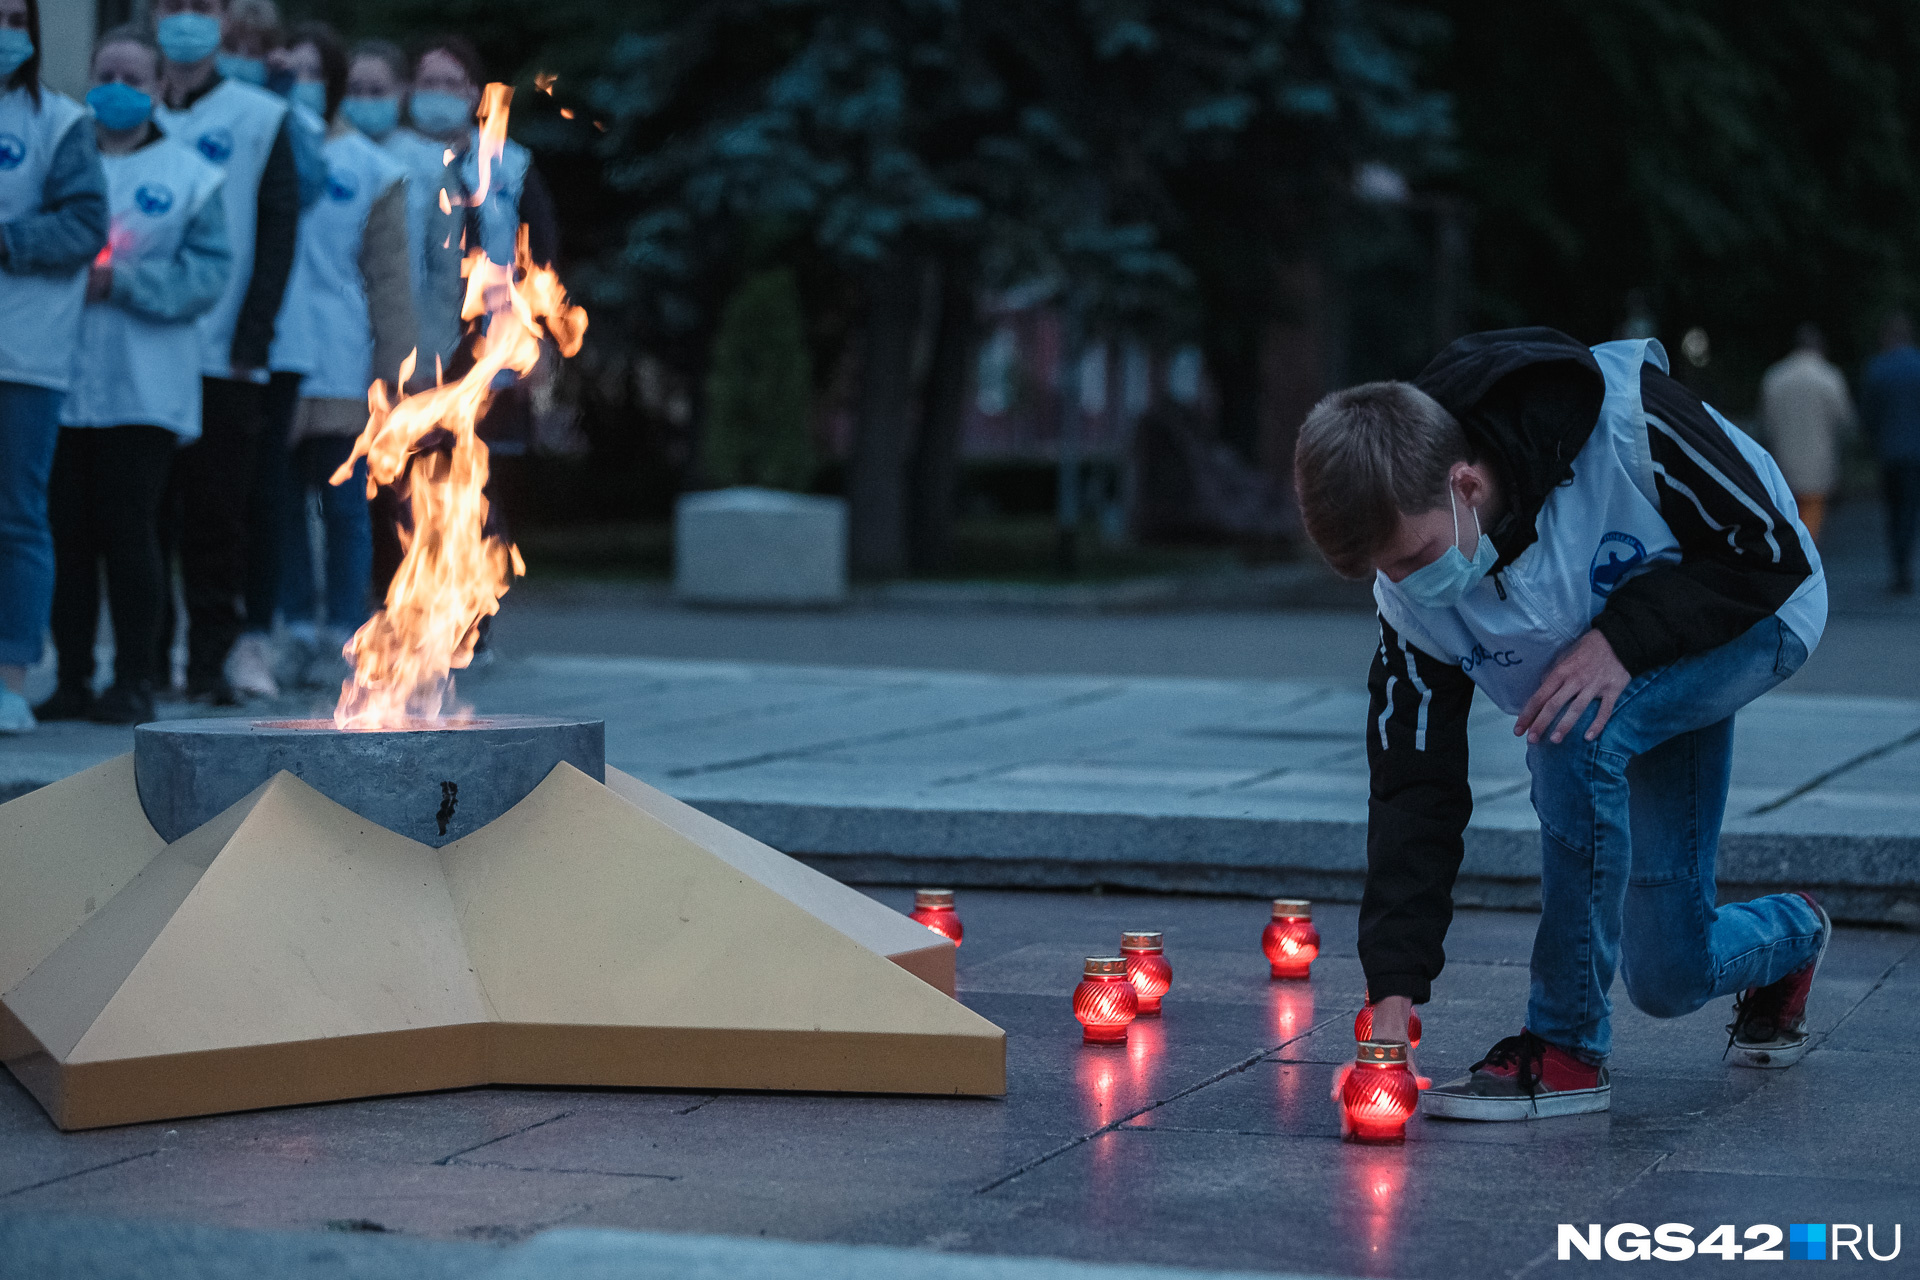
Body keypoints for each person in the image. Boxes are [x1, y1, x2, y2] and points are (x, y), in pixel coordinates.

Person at [1293, 328, 1830, 1121]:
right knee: (1666, 975)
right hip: (1629, 650)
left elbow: (1767, 549)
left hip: (1755, 614)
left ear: (1465, 485)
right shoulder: (1408, 599)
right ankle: (1794, 936)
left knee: (1569, 729)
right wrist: (1393, 990)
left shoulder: (1629, 425)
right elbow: (1414, 789)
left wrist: (1621, 640)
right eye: (1383, 571)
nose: (1406, 585)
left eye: (1415, 556)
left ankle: (1567, 1050)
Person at [39, 29, 228, 725]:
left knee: (129, 534)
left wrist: (124, 282)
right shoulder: (61, 158)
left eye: (133, 77)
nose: (117, 88)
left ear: (158, 88)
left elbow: (207, 276)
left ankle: (135, 678)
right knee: (67, 536)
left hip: (144, 386)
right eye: (105, 74)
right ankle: (73, 677)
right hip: (58, 378)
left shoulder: (189, 174)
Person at [150, 0, 299, 703]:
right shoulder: (125, 104)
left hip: (225, 355)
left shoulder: (259, 117)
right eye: (172, 7)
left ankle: (211, 662)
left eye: (200, 7)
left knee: (217, 514)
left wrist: (252, 336)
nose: (186, 20)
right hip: (139, 349)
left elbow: (276, 236)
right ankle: (144, 664)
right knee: (146, 515)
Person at [263, 21, 414, 689]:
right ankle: (293, 625)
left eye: (310, 72)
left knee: (345, 503)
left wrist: (394, 365)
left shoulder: (371, 168)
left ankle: (344, 632)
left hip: (340, 352)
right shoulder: (257, 146)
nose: (297, 85)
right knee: (281, 501)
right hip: (265, 350)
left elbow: (388, 278)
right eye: (285, 71)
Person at [0, 0, 108, 733]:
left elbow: (85, 224)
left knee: (14, 516)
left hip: (23, 351)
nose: (5, 34)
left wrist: (8, 239)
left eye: (15, 18)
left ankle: (9, 675)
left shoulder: (58, 122)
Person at [1758, 325, 1853, 544]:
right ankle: (1805, 565)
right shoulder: (1829, 377)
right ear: (1820, 347)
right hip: (1818, 466)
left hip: (1781, 466)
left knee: (1787, 520)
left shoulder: (1774, 377)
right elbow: (1845, 422)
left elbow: (1765, 424)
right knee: (1810, 527)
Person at [1860, 313, 1920, 594]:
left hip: (1887, 451)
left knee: (1893, 510)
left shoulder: (1878, 367)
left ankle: (1897, 565)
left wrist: (1872, 440)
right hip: (1914, 451)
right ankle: (1904, 565)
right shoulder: (1917, 365)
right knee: (1909, 509)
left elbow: (1869, 413)